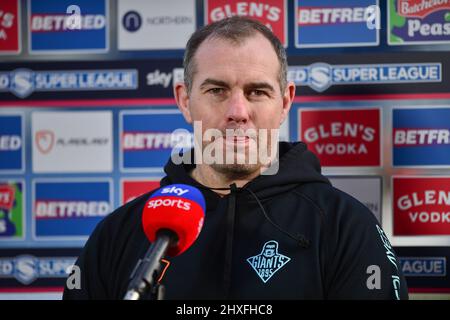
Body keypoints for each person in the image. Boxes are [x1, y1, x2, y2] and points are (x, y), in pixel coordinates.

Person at [63, 16, 408, 300]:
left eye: (257, 91)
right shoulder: (121, 233)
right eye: (217, 90)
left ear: (285, 102)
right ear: (185, 100)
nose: (238, 112)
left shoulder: (344, 226)